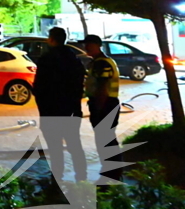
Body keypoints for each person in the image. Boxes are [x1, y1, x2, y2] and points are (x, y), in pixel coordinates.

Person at [33, 27, 87, 183]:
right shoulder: (74, 59)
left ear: (51, 39)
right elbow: (79, 86)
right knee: (74, 144)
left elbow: (40, 87)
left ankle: (57, 176)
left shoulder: (46, 59)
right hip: (70, 109)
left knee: (54, 146)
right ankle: (81, 176)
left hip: (51, 110)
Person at [82, 34, 123, 182]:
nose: (86, 47)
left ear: (98, 45)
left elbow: (102, 88)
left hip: (105, 105)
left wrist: (98, 109)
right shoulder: (100, 62)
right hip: (107, 104)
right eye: (86, 44)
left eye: (90, 44)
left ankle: (111, 173)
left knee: (105, 140)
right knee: (106, 139)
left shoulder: (102, 63)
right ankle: (112, 172)